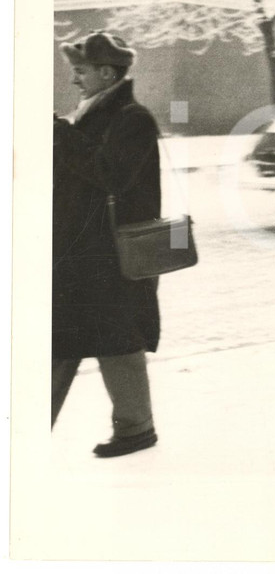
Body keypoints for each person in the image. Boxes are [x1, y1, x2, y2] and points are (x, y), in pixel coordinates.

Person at [52, 31, 162, 457]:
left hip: (111, 255)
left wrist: (62, 134)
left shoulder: (133, 119)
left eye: (80, 71)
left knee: (104, 339)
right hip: (82, 252)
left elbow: (108, 173)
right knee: (92, 339)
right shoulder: (92, 115)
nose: (75, 80)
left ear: (105, 72)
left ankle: (136, 429)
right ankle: (136, 427)